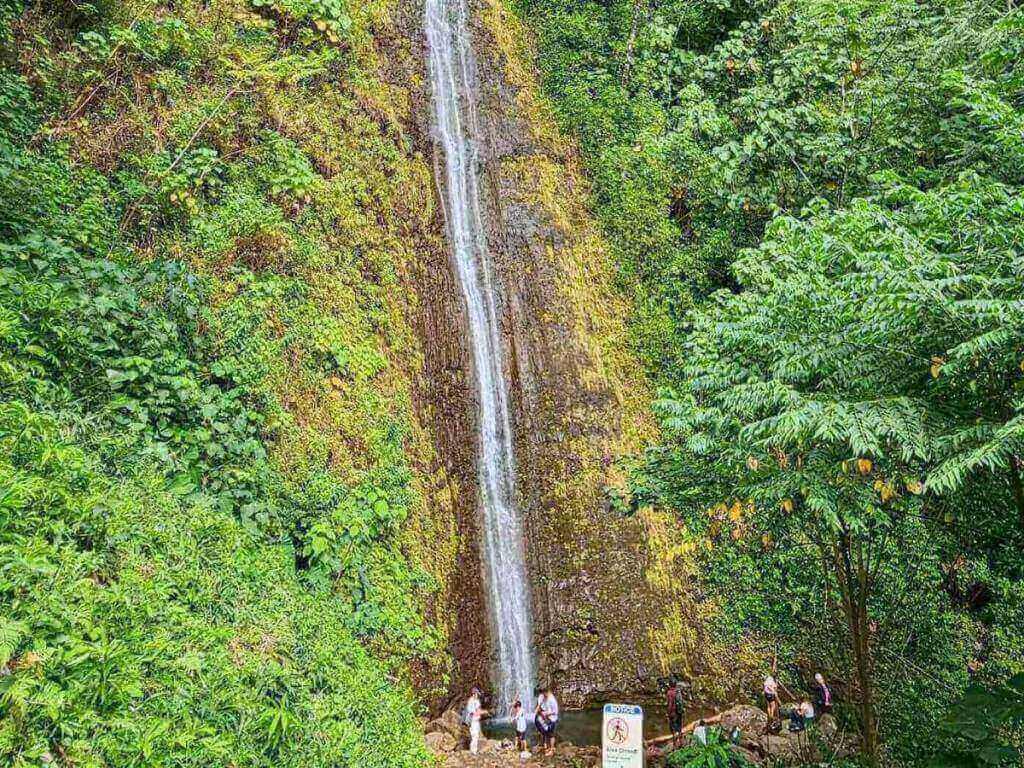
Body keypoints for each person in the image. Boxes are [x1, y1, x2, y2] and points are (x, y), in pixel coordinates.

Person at [535, 686, 559, 755]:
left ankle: (551, 749)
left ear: (547, 692)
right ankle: (545, 746)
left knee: (551, 734)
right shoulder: (542, 696)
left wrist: (547, 714)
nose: (543, 695)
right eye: (542, 693)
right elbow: (539, 705)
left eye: (544, 694)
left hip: (552, 718)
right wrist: (538, 711)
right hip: (545, 717)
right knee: (544, 732)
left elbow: (555, 712)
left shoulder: (552, 700)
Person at [464, 687, 488, 754]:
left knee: (476, 735)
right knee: (474, 735)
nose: (477, 695)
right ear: (474, 694)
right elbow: (471, 712)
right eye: (477, 694)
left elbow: (478, 710)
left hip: (476, 720)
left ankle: (474, 750)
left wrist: (482, 712)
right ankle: (473, 751)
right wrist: (482, 712)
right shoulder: (471, 701)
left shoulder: (476, 701)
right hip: (473, 720)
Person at [666, 677, 685, 747]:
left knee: (673, 730)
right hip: (679, 712)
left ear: (670, 684)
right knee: (679, 729)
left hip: (673, 714)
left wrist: (668, 713)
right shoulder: (678, 691)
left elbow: (670, 704)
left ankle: (675, 746)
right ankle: (681, 743)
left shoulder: (669, 693)